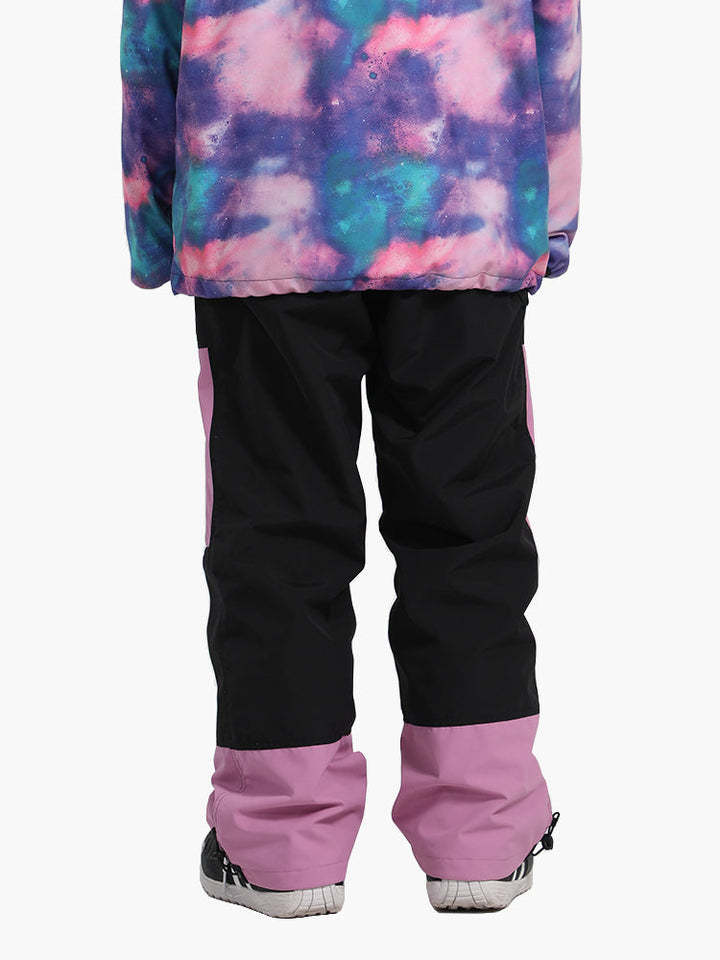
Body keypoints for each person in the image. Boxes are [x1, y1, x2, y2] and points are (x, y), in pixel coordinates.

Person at [120, 0, 581, 918]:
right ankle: (483, 832)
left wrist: (155, 222)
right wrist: (547, 220)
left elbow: (152, 35)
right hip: (469, 199)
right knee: (470, 526)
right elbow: (555, 26)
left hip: (259, 205)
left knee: (275, 530)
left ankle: (280, 842)